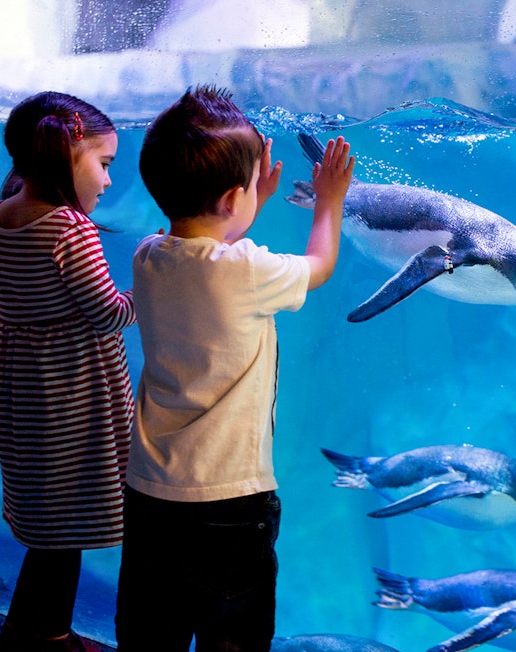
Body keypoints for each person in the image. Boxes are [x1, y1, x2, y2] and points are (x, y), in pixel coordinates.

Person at [114, 85, 354, 651]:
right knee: (233, 640)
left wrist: (250, 198)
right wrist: (330, 200)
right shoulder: (247, 271)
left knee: (151, 634)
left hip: (150, 495)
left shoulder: (148, 258)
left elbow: (205, 249)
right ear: (229, 200)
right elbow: (318, 266)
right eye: (250, 185)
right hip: (231, 504)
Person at [0, 91, 136, 652]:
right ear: (68, 152)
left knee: (48, 527)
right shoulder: (71, 229)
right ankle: (49, 639)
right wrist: (155, 287)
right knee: (67, 527)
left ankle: (26, 631)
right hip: (75, 393)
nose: (109, 181)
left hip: (24, 388)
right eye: (105, 163)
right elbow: (110, 312)